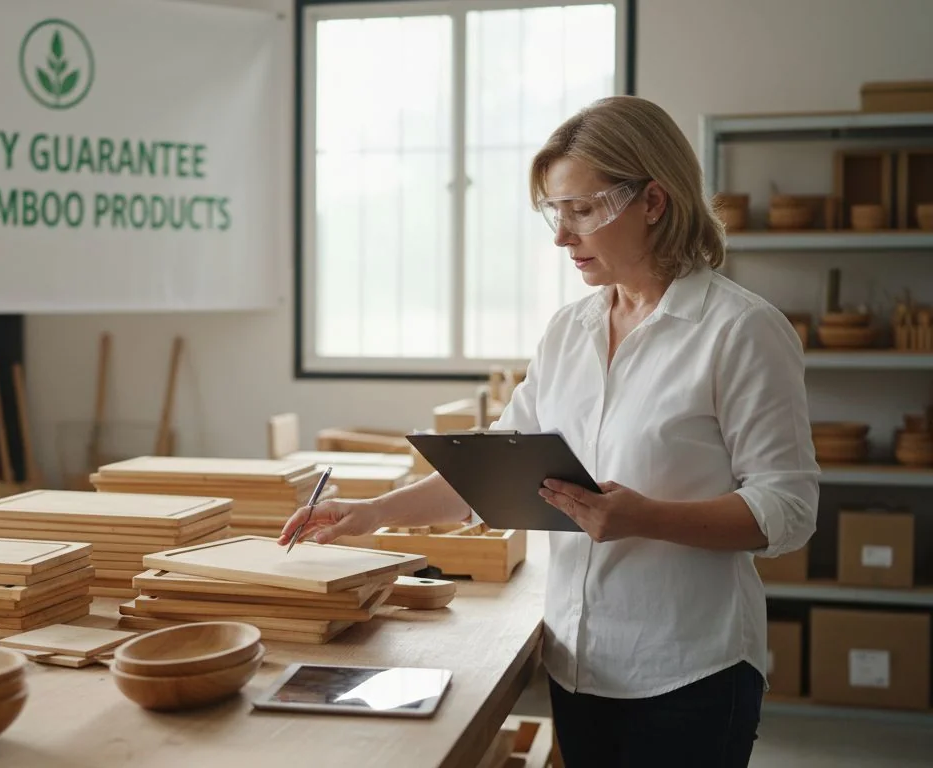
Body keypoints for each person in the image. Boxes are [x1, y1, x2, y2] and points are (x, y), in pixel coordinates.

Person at [278, 95, 819, 768]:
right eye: (554, 212)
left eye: (583, 210)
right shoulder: (570, 330)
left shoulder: (741, 330)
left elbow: (789, 512)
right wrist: (370, 514)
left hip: (689, 674)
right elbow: (500, 469)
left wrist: (643, 517)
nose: (562, 236)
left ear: (653, 201)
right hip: (577, 663)